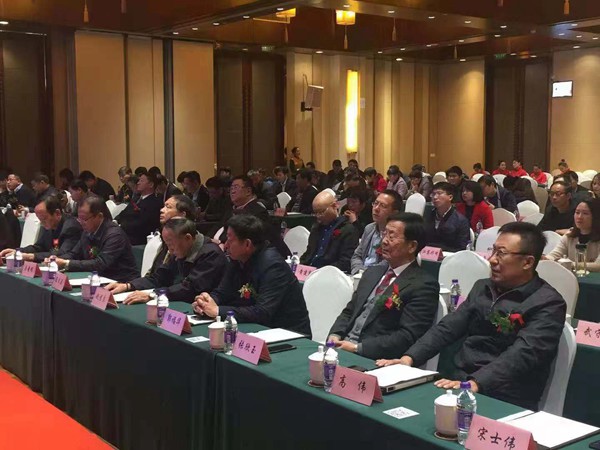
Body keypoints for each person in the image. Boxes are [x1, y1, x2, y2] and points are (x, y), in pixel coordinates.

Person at [376, 222, 566, 410]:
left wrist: (476, 383)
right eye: (493, 251)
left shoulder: (547, 303)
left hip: (506, 397)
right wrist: (409, 358)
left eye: (501, 253)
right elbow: (448, 327)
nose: (492, 260)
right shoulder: (483, 287)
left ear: (527, 262)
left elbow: (522, 355)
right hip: (460, 380)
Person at [328, 213, 439, 359]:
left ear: (412, 246)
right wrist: (335, 334)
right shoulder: (372, 272)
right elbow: (350, 311)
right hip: (342, 348)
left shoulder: (423, 285)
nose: (384, 241)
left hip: (374, 358)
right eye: (384, 234)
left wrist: (357, 348)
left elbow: (407, 336)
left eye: (392, 237)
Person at [193, 214, 311, 335]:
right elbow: (222, 292)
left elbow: (263, 311)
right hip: (257, 327)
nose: (226, 245)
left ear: (247, 244)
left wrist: (217, 311)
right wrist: (206, 302)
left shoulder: (273, 266)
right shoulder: (237, 259)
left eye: (230, 240)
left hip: (288, 333)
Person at [107, 218, 227, 304]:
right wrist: (128, 286)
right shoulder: (180, 250)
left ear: (188, 238)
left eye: (170, 244)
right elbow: (159, 278)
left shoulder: (211, 254)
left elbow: (190, 288)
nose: (169, 250)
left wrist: (153, 295)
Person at [51, 196, 138, 282]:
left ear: (99, 216)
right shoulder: (87, 231)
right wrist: (56, 259)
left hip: (121, 281)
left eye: (84, 219)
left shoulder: (114, 235)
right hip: (98, 278)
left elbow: (100, 264)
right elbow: (74, 254)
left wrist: (66, 263)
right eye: (79, 218)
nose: (81, 223)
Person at [222, 175, 290, 258]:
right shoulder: (232, 209)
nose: (232, 191)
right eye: (231, 188)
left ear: (248, 191)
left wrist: (222, 243)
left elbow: (250, 243)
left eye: (236, 187)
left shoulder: (257, 211)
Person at [0, 195, 82, 262]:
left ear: (57, 213)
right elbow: (39, 247)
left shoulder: (71, 227)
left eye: (44, 219)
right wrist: (18, 251)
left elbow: (62, 253)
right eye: (40, 220)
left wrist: (31, 256)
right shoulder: (49, 225)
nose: (42, 224)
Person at [300, 190, 360, 272]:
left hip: (330, 272)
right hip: (311, 270)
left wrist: (322, 270)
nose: (318, 216)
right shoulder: (316, 228)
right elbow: (309, 253)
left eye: (321, 212)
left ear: (335, 206)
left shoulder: (348, 230)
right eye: (315, 213)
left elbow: (346, 262)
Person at [351, 190, 403, 275]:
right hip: (360, 275)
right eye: (375, 203)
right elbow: (357, 256)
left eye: (383, 206)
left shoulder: (395, 235)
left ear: (394, 213)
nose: (376, 209)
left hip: (380, 277)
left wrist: (367, 275)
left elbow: (388, 263)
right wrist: (358, 271)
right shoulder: (369, 228)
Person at [546, 198, 600, 271]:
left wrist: (570, 264)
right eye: (577, 212)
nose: (579, 217)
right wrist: (546, 259)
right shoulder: (569, 235)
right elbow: (554, 255)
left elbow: (598, 266)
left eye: (585, 213)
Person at [117, 172, 162, 245]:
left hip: (139, 240)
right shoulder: (136, 199)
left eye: (141, 181)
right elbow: (124, 213)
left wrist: (122, 226)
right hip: (126, 234)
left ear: (151, 184)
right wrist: (115, 221)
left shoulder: (154, 202)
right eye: (138, 180)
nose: (138, 183)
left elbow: (143, 223)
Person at [424, 182, 471, 252]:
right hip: (428, 254)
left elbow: (462, 248)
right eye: (433, 194)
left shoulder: (461, 221)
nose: (435, 197)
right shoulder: (428, 216)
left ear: (450, 197)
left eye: (439, 193)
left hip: (450, 255)